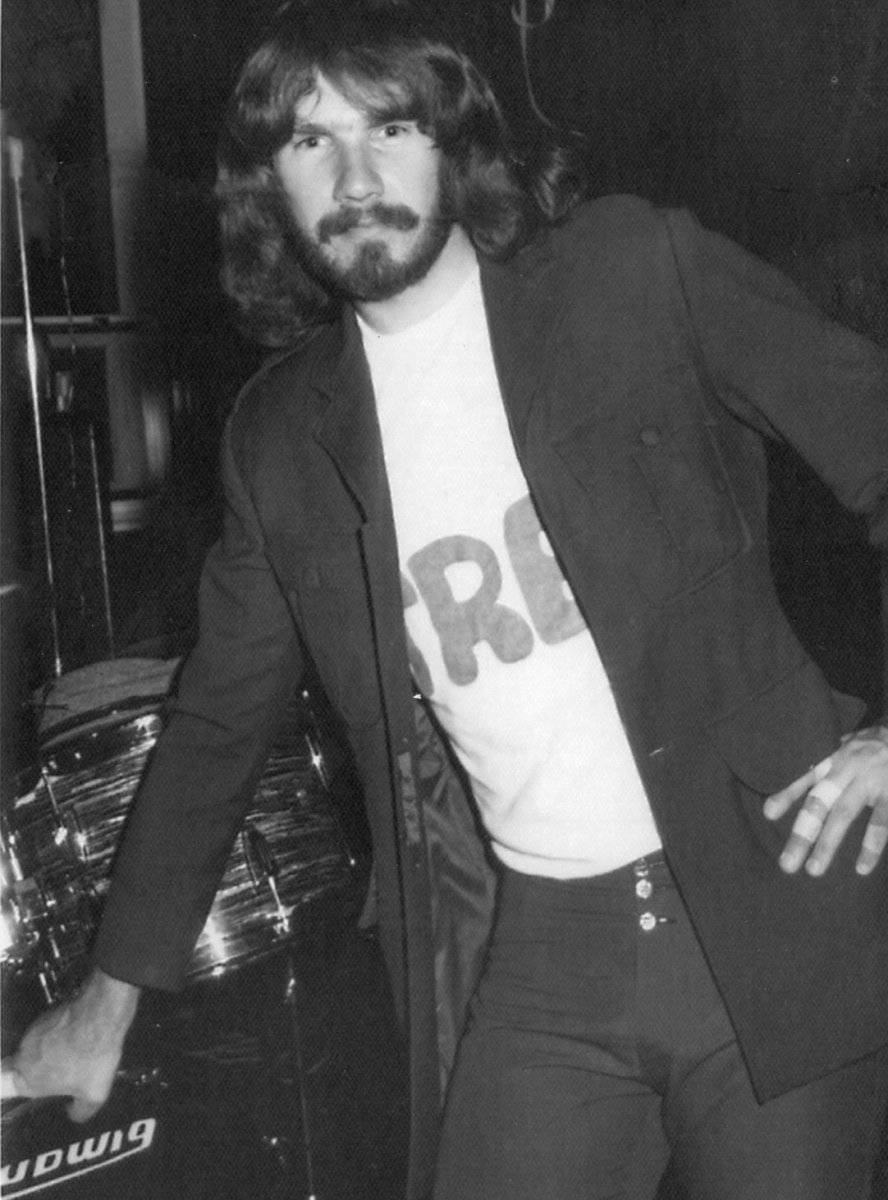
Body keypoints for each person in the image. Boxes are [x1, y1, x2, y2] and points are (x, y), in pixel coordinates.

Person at [4, 4, 888, 1197]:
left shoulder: (633, 271)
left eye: (390, 126)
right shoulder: (282, 438)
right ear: (269, 184)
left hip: (775, 900)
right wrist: (103, 1005)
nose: (356, 179)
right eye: (310, 141)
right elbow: (215, 727)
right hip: (546, 957)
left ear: (452, 141)